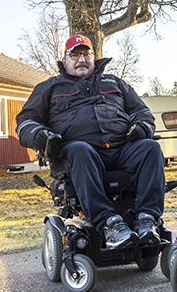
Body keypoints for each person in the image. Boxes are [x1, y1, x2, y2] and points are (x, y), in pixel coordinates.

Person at [17, 34, 166, 249]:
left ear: (94, 59)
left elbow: (142, 112)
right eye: (75, 55)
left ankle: (146, 220)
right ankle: (109, 223)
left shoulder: (115, 83)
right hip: (79, 152)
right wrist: (40, 135)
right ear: (64, 60)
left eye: (86, 54)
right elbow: (25, 122)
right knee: (80, 149)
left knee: (151, 147)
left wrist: (142, 126)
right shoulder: (49, 88)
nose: (81, 60)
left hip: (121, 149)